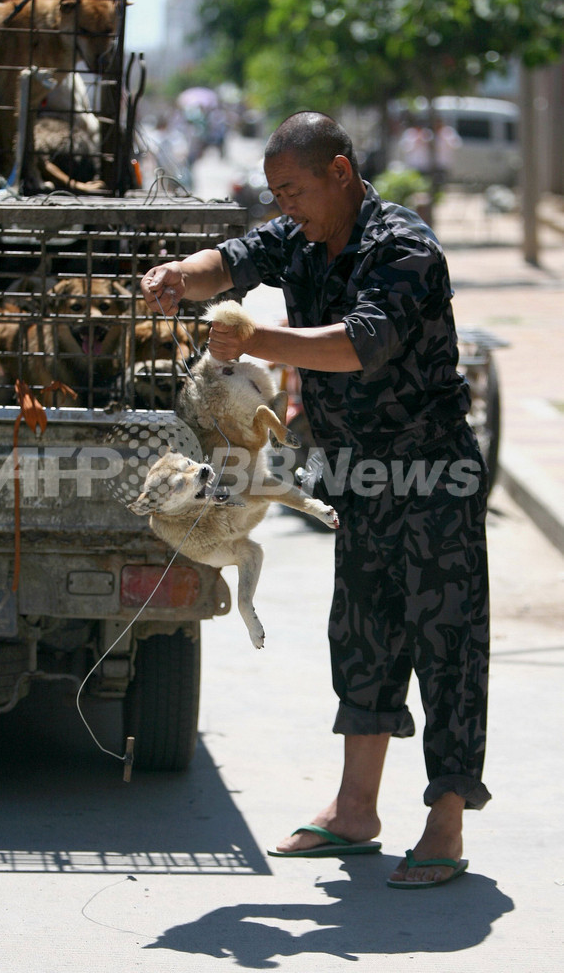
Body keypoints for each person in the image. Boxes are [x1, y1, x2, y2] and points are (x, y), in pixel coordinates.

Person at [140, 111, 490, 888]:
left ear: (340, 173)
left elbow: (361, 344)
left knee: (447, 645)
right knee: (363, 635)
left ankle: (446, 819)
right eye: (275, 194)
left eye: (293, 189)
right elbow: (232, 260)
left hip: (432, 474)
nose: (284, 205)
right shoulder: (299, 234)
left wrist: (253, 340)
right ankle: (355, 810)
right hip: (358, 475)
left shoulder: (402, 246)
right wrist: (180, 276)